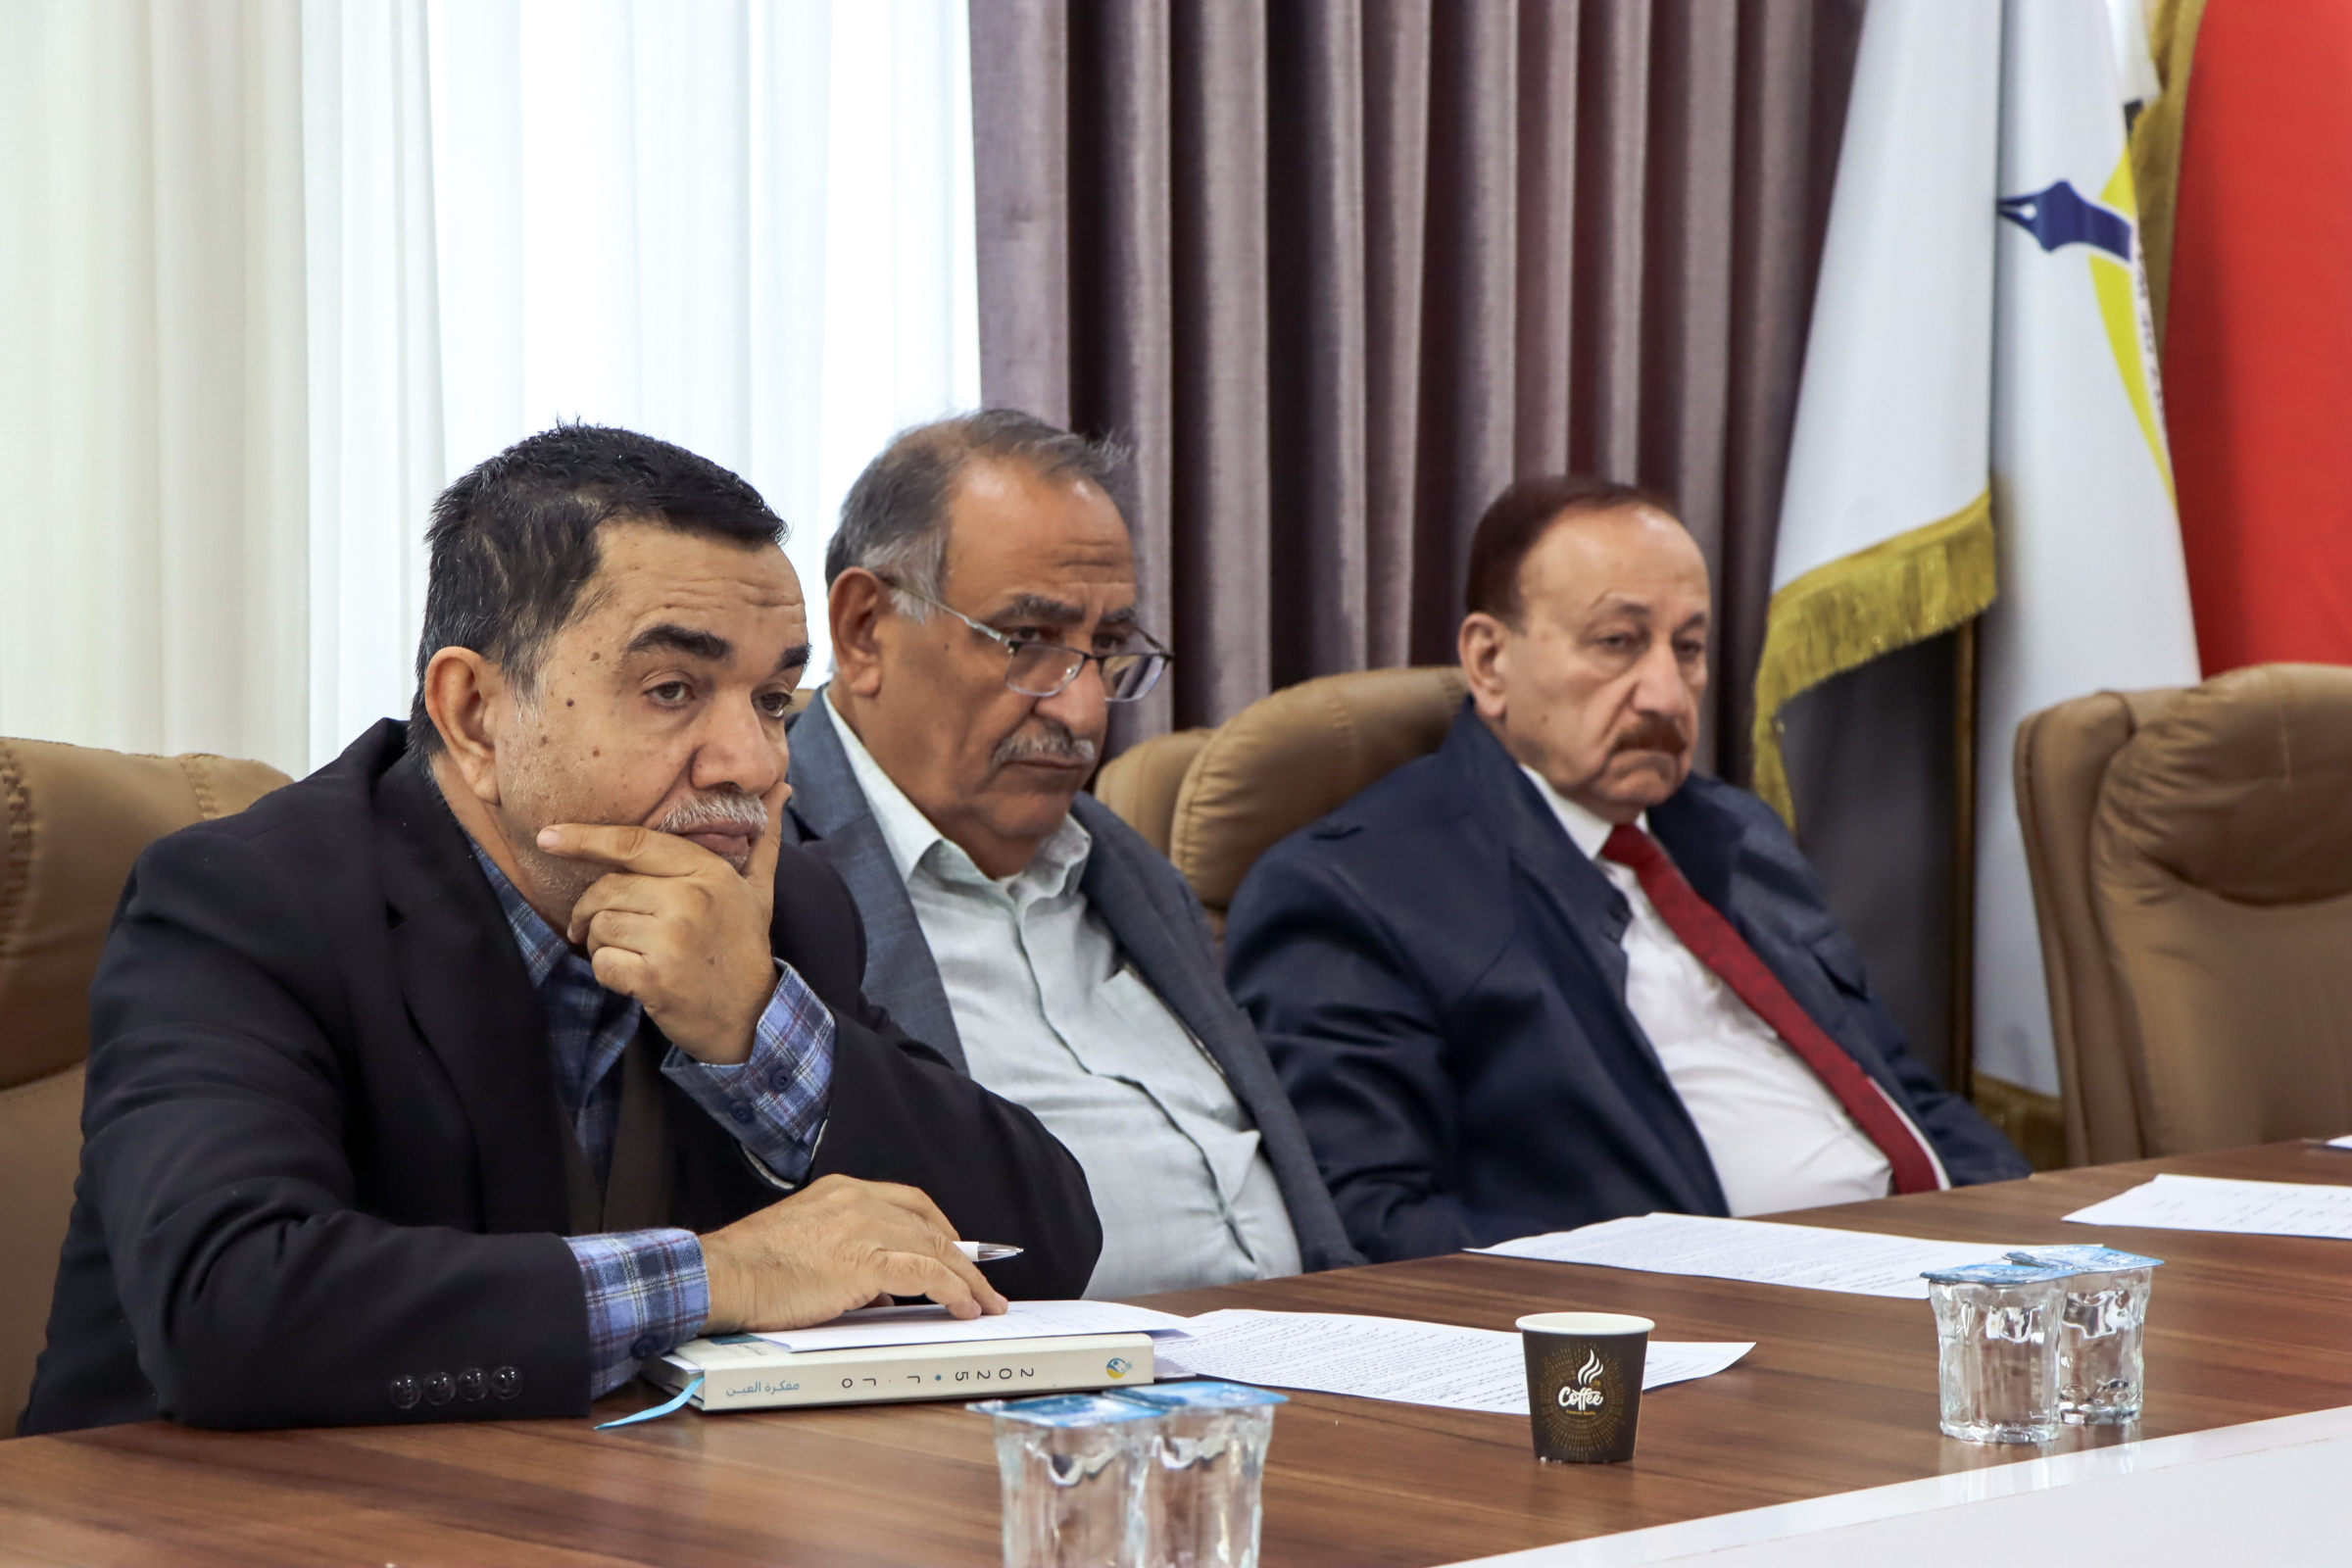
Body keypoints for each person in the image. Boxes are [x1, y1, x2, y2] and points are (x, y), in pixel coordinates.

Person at [22, 425, 1101, 1435]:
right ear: (474, 714)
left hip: (593, 1507)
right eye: (673, 688)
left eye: (773, 700)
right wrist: (727, 1273)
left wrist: (755, 1026)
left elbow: (1042, 1248)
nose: (756, 763)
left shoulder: (779, 909)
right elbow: (231, 1306)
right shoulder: (245, 899)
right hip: (204, 1520)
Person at [1224, 475, 2029, 1263]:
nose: (1667, 696)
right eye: (1618, 642)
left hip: (1935, 1284)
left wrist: (2030, 1233)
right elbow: (1378, 1227)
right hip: (1702, 1320)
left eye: (1688, 648)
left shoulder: (1734, 831)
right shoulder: (1356, 893)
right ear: (1490, 661)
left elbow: (1897, 1090)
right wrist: (1682, 1292)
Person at [780, 410, 1360, 1298]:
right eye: (1029, 641)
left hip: (1303, 1342)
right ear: (864, 630)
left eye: (1110, 649)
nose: (1084, 712)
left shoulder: (1127, 868)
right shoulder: (772, 874)